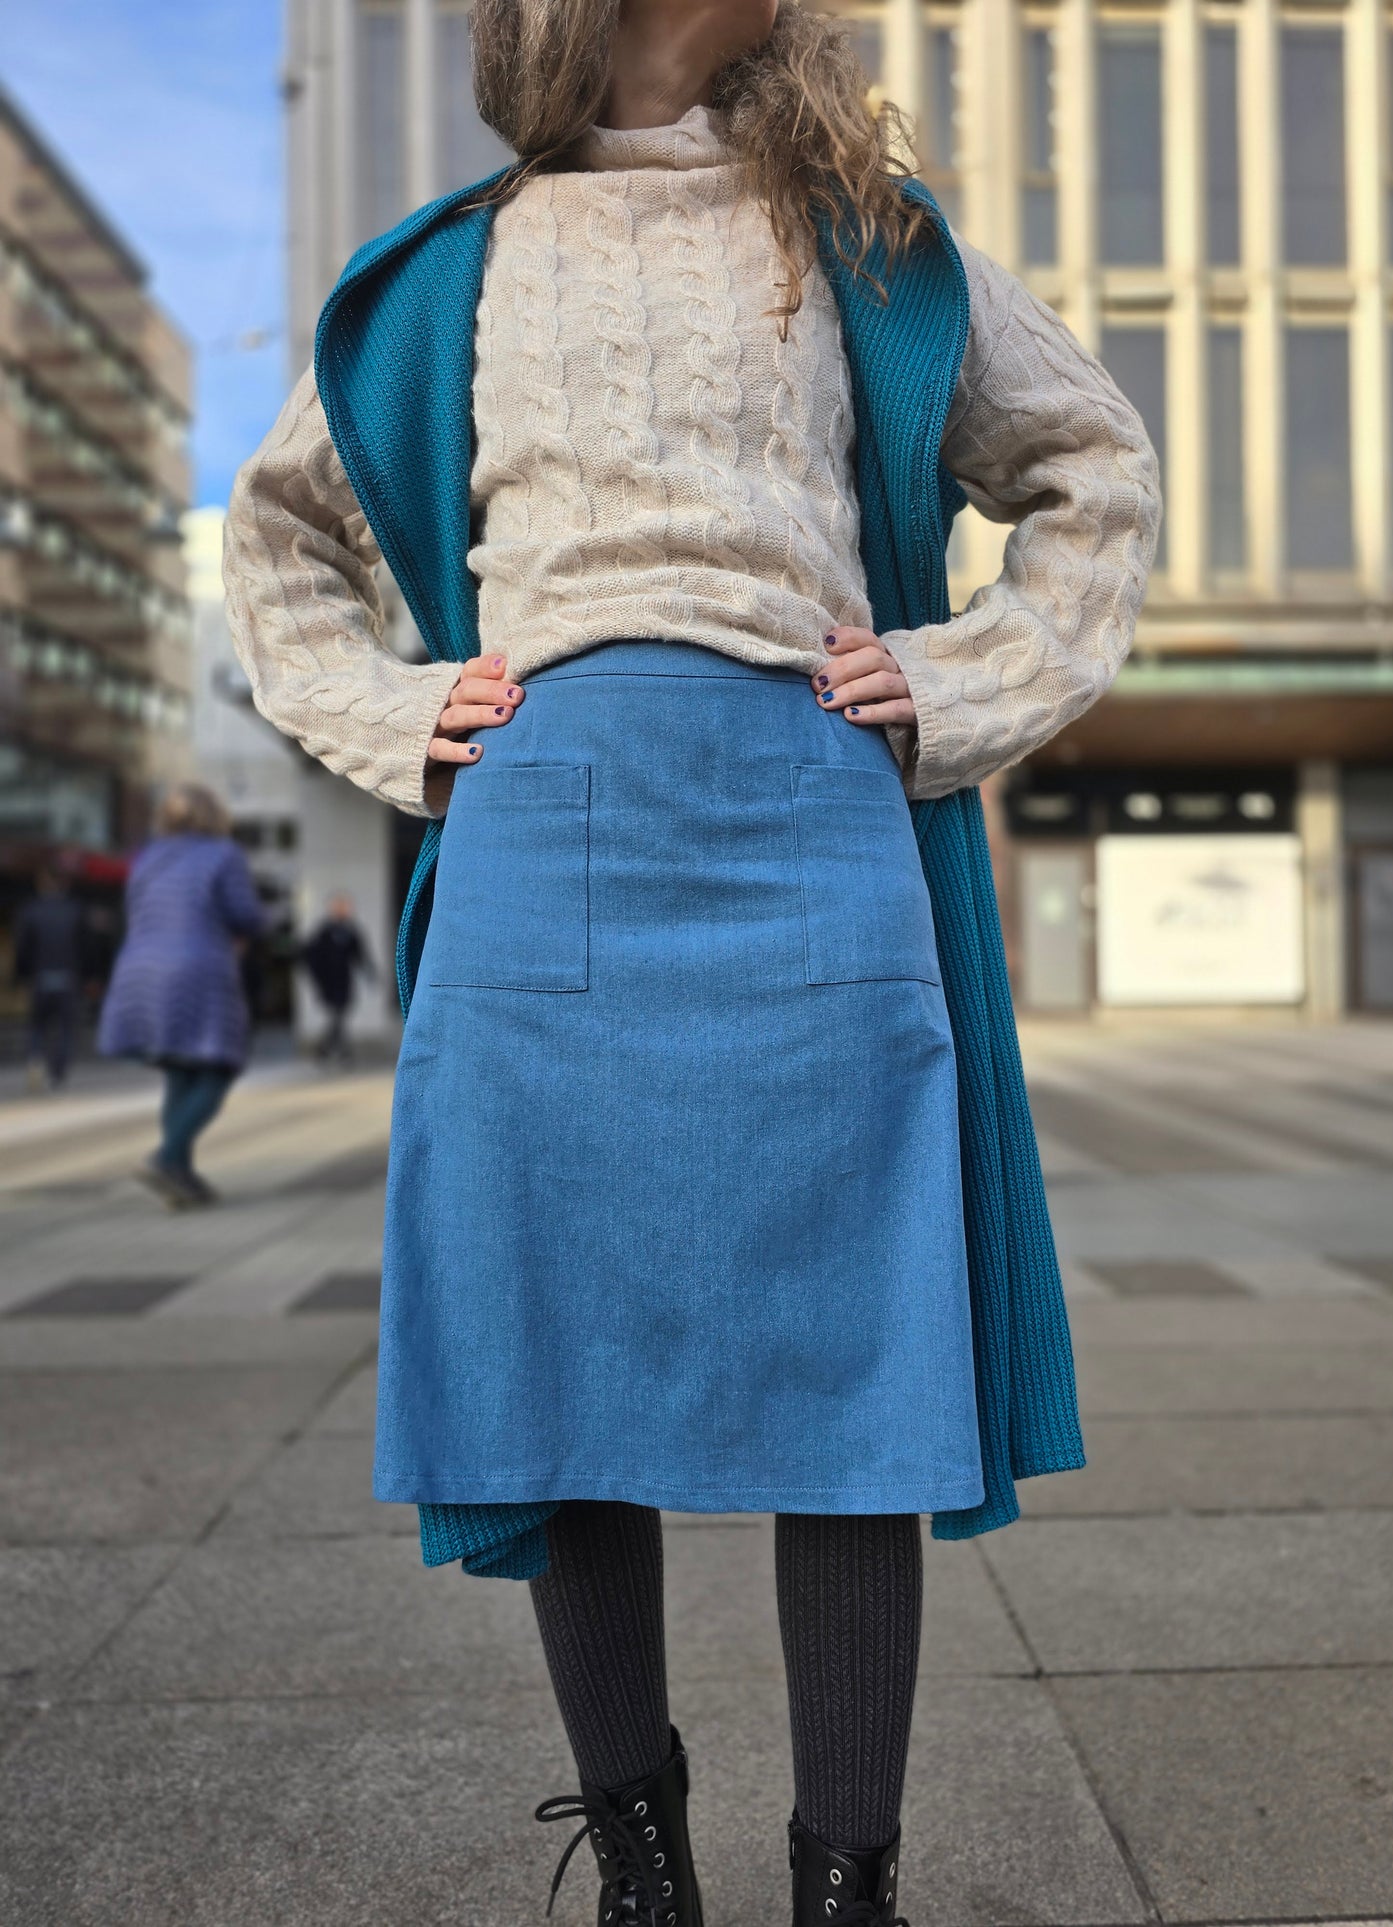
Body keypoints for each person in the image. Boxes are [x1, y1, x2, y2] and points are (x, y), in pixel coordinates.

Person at [223, 2, 1161, 1919]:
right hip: (539, 815)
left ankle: (848, 1883)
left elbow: (1089, 467)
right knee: (543, 1342)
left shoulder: (870, 243)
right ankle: (644, 1861)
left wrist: (968, 677)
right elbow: (281, 536)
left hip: (813, 813)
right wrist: (395, 716)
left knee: (863, 1356)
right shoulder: (452, 267)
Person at [98, 783, 266, 1209]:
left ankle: (182, 1179)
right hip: (198, 967)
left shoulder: (148, 857)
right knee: (218, 1067)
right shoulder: (222, 854)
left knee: (179, 1069)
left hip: (141, 969)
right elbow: (244, 913)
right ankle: (166, 1158)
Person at [13, 868, 85, 1092]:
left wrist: (21, 976)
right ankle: (57, 1074)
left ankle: (35, 1059)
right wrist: (90, 976)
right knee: (65, 1028)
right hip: (68, 978)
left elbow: (22, 948)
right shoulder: (75, 911)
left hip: (40, 978)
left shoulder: (30, 911)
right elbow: (86, 949)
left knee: (37, 1026)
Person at [301, 893, 375, 1063]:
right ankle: (336, 1050)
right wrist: (317, 977)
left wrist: (370, 974)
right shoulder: (324, 931)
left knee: (339, 1016)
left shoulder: (350, 930)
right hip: (328, 982)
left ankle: (329, 1050)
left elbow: (360, 954)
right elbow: (310, 954)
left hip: (344, 980)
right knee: (337, 1016)